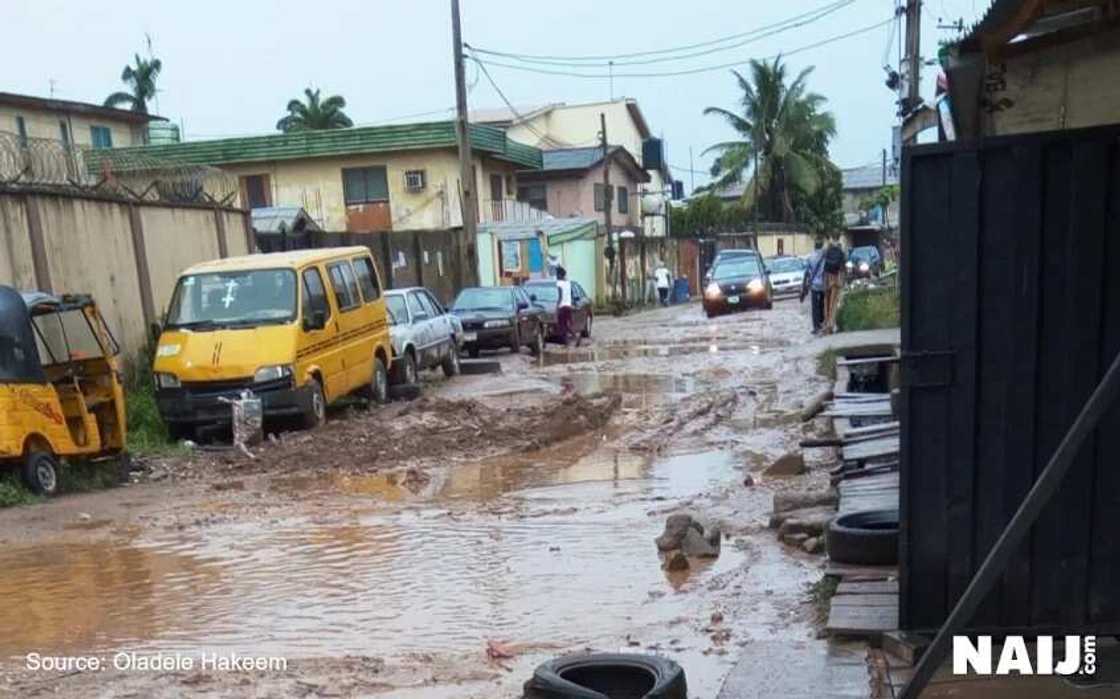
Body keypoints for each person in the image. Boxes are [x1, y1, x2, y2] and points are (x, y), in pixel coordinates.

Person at [801, 240, 826, 333]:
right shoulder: (825, 256)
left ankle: (816, 327)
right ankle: (823, 322)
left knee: (815, 307)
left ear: (814, 246)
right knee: (823, 304)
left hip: (814, 285)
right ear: (822, 246)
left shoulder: (810, 257)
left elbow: (807, 273)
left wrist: (804, 287)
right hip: (824, 285)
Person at [555, 266, 577, 347]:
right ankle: (573, 337)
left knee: (562, 325)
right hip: (568, 306)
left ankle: (568, 341)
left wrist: (557, 307)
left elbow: (560, 296)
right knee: (567, 324)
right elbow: (570, 294)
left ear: (560, 275)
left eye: (557, 274)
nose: (556, 276)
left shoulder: (559, 283)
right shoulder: (568, 283)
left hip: (562, 307)